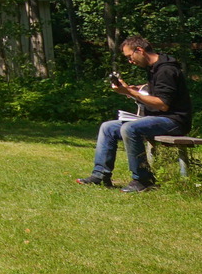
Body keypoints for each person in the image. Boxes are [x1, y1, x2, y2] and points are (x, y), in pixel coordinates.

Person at [78, 37, 193, 192]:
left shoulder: (166, 70)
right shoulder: (155, 68)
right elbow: (159, 89)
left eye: (129, 56)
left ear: (140, 50)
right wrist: (137, 89)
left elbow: (163, 104)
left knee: (130, 129)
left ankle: (143, 180)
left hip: (174, 121)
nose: (130, 61)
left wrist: (130, 92)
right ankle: (100, 176)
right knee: (107, 127)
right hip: (158, 118)